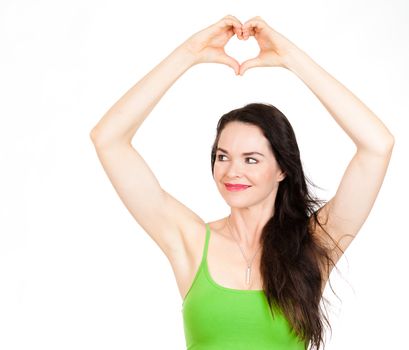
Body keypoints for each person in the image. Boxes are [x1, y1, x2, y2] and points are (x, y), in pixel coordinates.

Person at [89, 15, 394, 350]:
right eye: (223, 156)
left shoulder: (312, 245)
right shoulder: (191, 240)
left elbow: (377, 146)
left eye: (251, 159)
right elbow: (108, 139)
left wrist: (291, 58)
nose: (232, 171)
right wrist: (189, 54)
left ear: (282, 169)